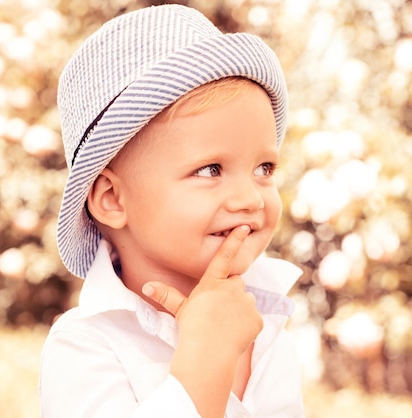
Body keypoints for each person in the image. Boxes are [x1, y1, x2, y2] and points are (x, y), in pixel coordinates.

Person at [39, 4, 304, 417]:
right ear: (112, 199)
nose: (252, 198)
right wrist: (207, 359)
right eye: (211, 169)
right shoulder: (87, 345)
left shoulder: (267, 325)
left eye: (264, 168)